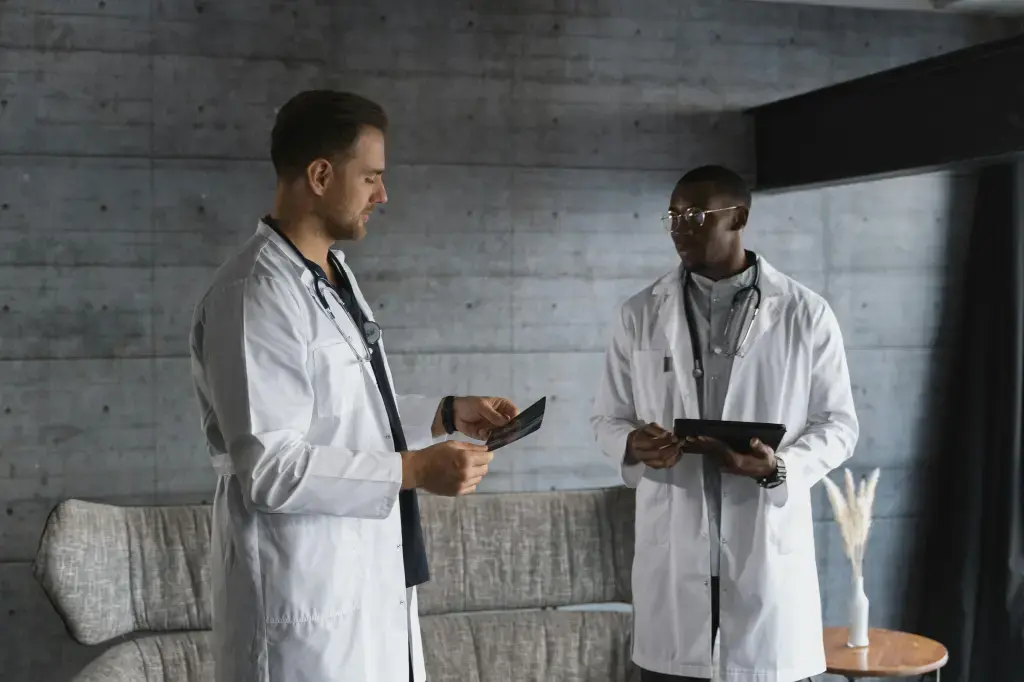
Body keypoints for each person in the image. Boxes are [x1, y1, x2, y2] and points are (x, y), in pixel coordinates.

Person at [189, 89, 519, 682]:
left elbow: (346, 418)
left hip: (363, 588)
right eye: (370, 177)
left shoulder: (329, 274)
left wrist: (444, 414)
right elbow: (269, 467)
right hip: (303, 605)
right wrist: (415, 470)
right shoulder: (255, 295)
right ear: (320, 174)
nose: (383, 195)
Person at [591, 165, 859, 682]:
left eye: (695, 215)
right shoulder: (640, 314)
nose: (679, 227)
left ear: (739, 217)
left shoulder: (806, 314)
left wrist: (779, 467)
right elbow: (606, 416)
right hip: (675, 551)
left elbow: (838, 425)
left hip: (764, 553)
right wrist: (632, 444)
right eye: (672, 215)